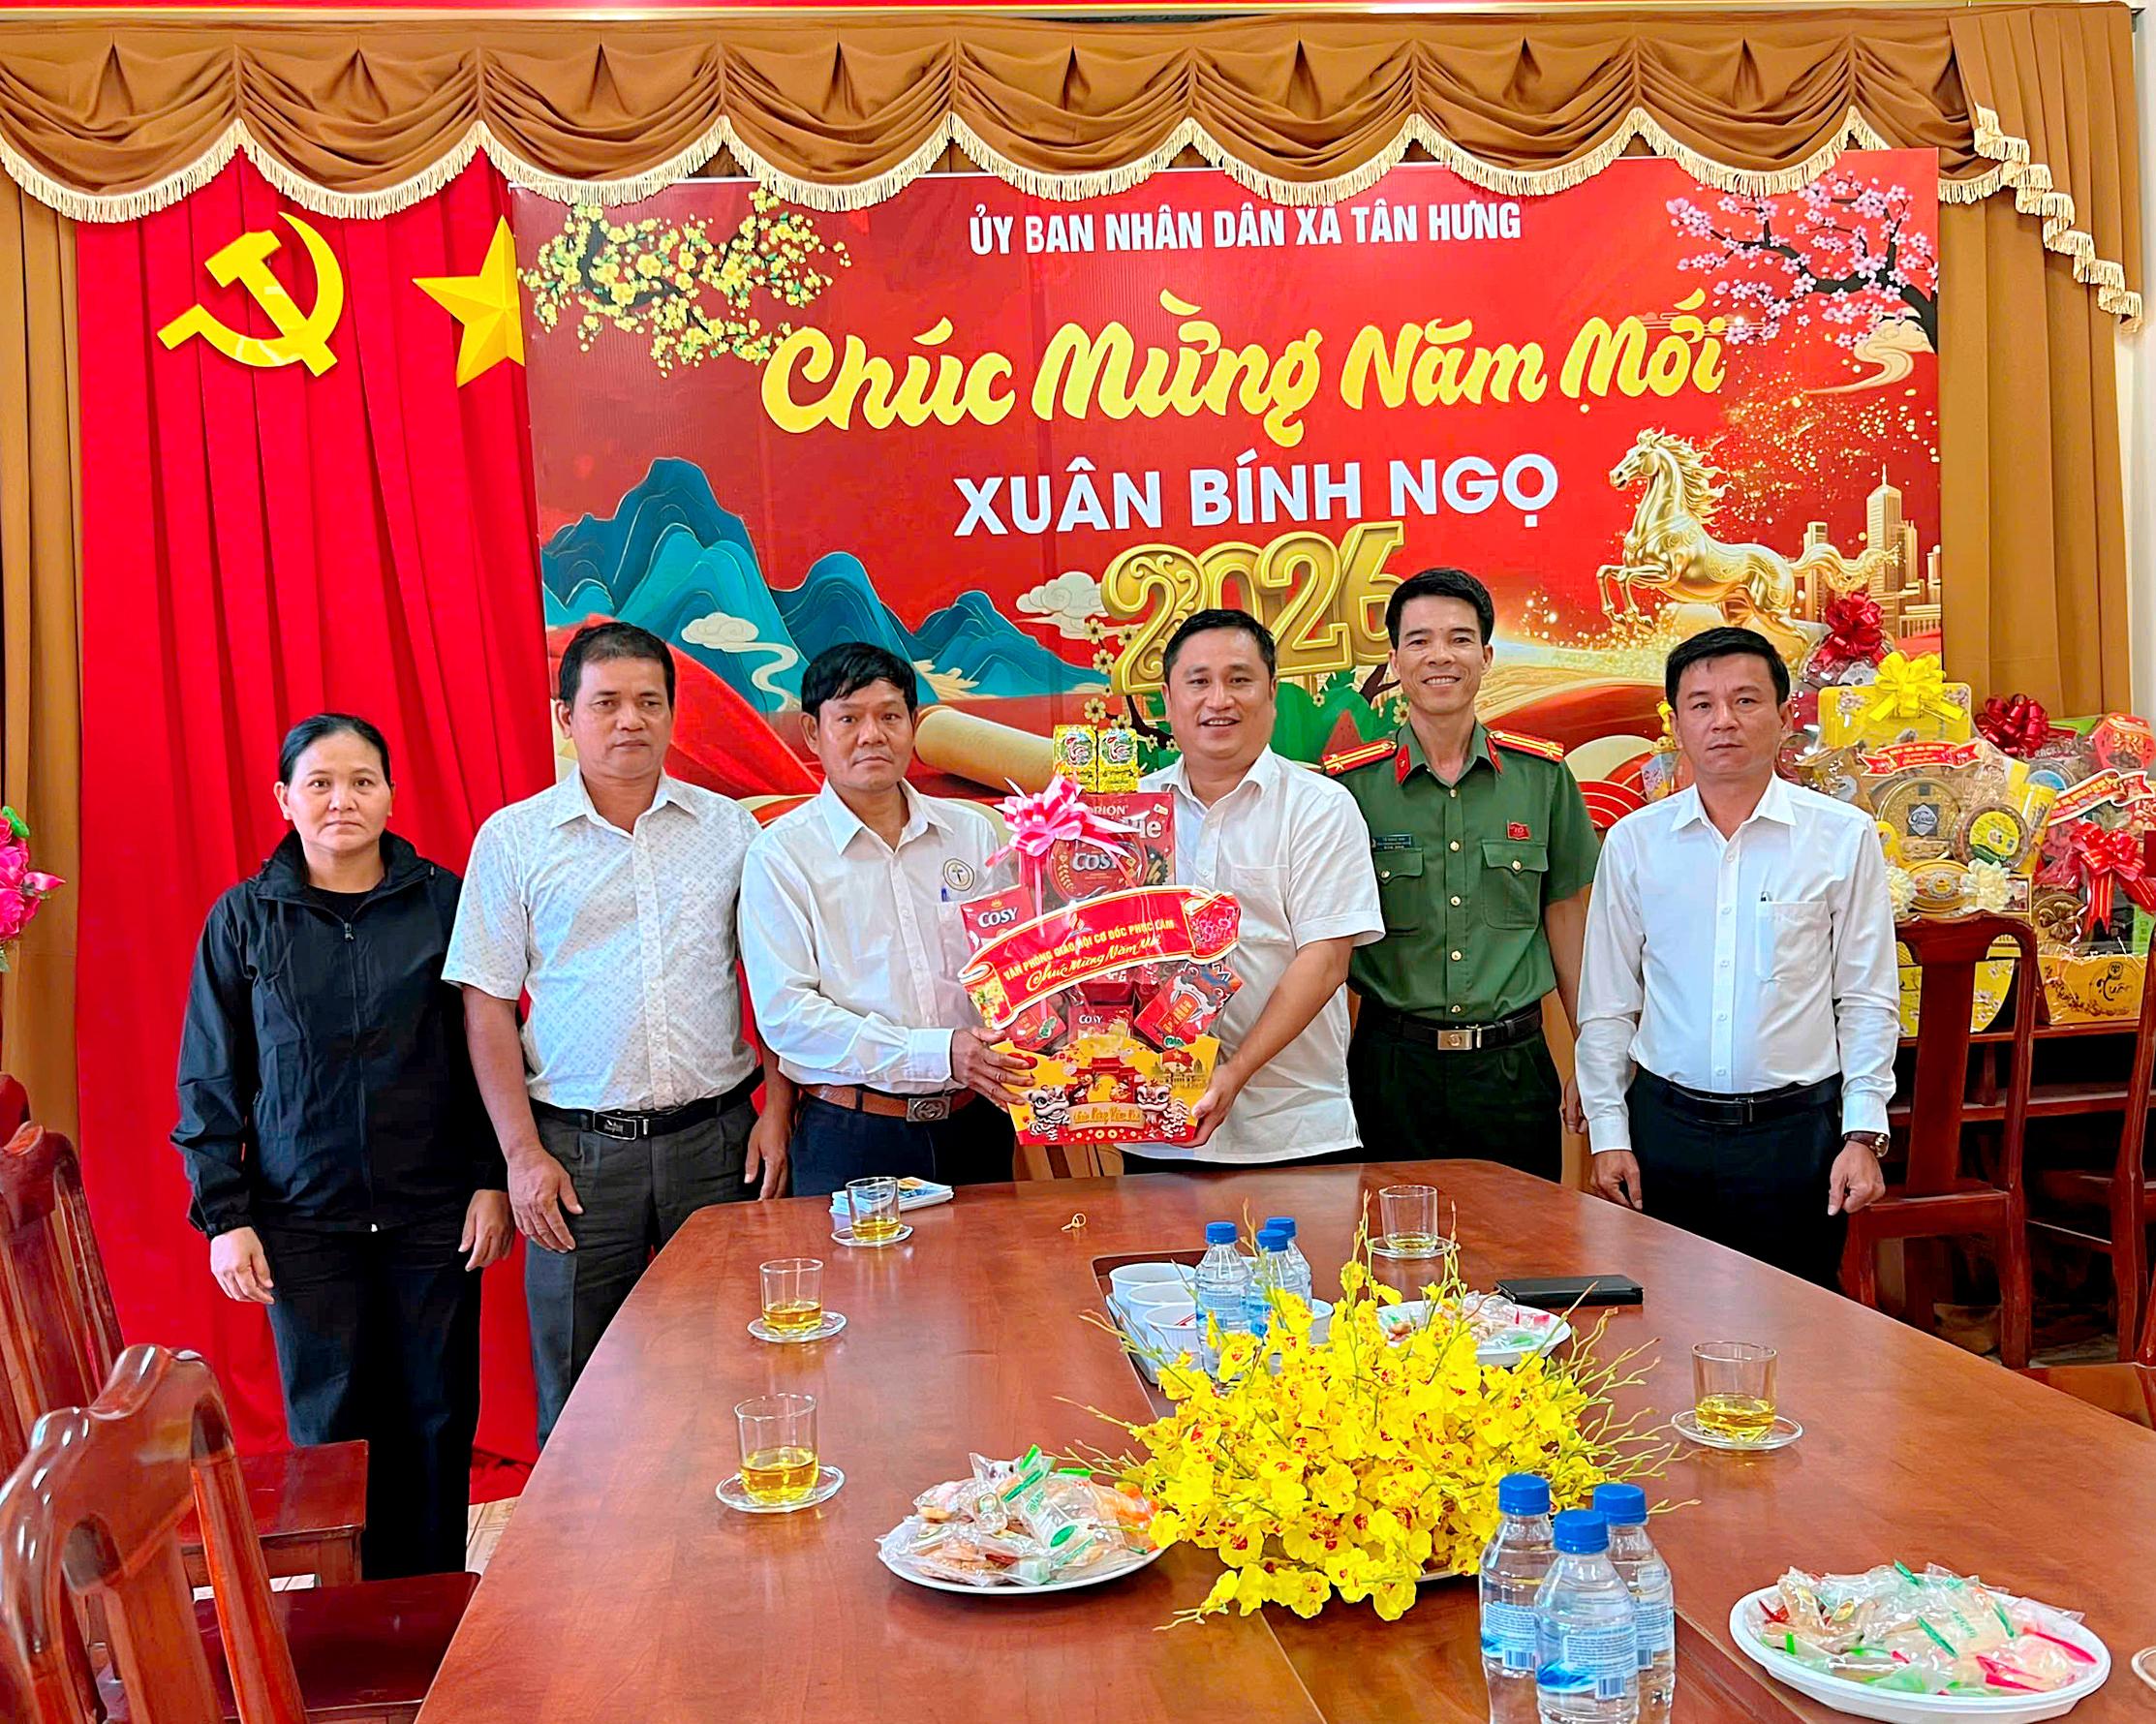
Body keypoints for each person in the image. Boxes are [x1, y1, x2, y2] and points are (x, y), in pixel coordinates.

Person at [174, 713, 510, 1578]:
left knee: (437, 1415)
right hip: (302, 1220)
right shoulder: (243, 919)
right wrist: (225, 1216)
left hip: (434, 1213)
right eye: (319, 783)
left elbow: (489, 1048)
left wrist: (492, 1178)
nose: (342, 801)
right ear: (284, 799)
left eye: (363, 781)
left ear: (391, 795)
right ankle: (346, 1611)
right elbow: (209, 1076)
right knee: (330, 1425)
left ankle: (434, 1605)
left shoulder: (446, 903)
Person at [446, 622, 787, 1445]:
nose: (630, 720)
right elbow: (486, 1005)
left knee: (735, 1366)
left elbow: (776, 980)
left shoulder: (730, 831)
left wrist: (778, 1111)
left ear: (672, 714)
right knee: (581, 1392)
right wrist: (521, 1155)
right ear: (566, 716)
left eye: (648, 702)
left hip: (717, 1144)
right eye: (606, 703)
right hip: (576, 1157)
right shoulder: (514, 838)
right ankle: (584, 1533)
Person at [1573, 626, 1896, 1286]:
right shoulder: (1634, 843)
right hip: (1666, 1134)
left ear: (1784, 717)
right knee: (1664, 1318)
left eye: (1745, 700)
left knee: (1799, 1322)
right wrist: (1608, 1134)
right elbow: (1607, 1003)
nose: (1723, 720)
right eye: (1701, 704)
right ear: (1676, 725)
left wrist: (1863, 1135)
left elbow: (1867, 997)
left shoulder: (1843, 837)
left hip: (1795, 1137)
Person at [1330, 568, 1599, 1181]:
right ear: (1395, 660)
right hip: (1391, 1068)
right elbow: (1328, 943)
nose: (1440, 656)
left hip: (1512, 1068)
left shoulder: (1541, 779)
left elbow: (1566, 917)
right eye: (1419, 640)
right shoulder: (1350, 788)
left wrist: (1592, 1053)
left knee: (1521, 1236)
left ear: (1486, 656)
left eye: (1459, 639)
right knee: (1390, 1235)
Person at [740, 643, 1025, 1197]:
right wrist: (937, 1053)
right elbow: (788, 1017)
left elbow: (1014, 964)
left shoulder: (973, 834)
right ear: (812, 732)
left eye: (890, 716)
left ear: (913, 725)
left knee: (994, 1257)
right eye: (849, 719)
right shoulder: (781, 855)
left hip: (977, 1120)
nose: (872, 735)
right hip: (854, 1130)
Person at [1120, 608, 1384, 1171]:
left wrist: (1234, 1073)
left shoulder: (1320, 806)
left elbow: (1326, 961)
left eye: (1239, 679)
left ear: (1272, 693)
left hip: (1292, 1127)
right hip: (1155, 1123)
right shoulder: (1123, 816)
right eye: (1198, 681)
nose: (1219, 700)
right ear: (1168, 699)